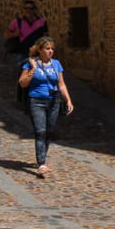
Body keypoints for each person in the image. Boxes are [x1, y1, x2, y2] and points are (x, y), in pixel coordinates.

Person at [18, 36, 73, 177]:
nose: (50, 51)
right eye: (47, 48)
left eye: (52, 49)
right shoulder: (30, 63)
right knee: (40, 131)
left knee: (49, 131)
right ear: (40, 50)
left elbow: (61, 84)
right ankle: (41, 163)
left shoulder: (56, 64)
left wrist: (68, 100)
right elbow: (22, 83)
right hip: (36, 101)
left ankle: (42, 158)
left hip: (53, 101)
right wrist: (33, 69)